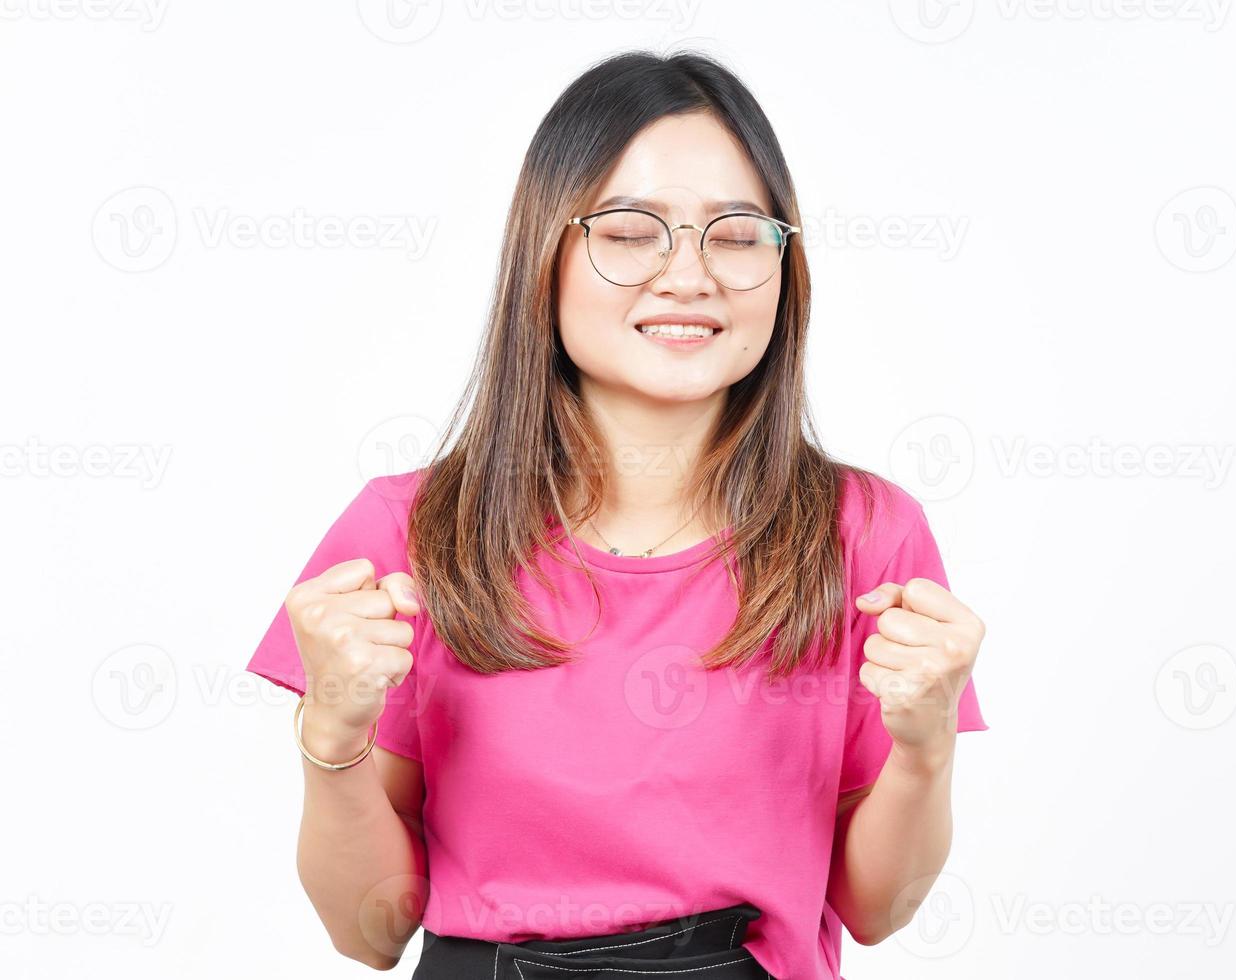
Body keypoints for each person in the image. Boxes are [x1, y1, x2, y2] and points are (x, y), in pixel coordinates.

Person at [245, 48, 989, 980]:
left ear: (783, 263)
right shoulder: (406, 535)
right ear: (544, 254)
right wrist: (333, 734)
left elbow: (877, 910)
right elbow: (369, 933)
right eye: (632, 231)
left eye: (736, 233)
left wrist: (923, 750)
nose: (688, 276)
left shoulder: (864, 533)